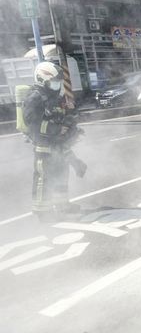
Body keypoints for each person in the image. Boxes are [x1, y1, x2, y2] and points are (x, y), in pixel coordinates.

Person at [23, 62, 86, 222]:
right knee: (43, 180)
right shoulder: (35, 97)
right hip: (44, 148)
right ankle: (41, 212)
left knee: (61, 176)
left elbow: (63, 117)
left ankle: (63, 206)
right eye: (53, 81)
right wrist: (57, 129)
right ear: (41, 80)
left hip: (59, 146)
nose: (57, 84)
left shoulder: (55, 98)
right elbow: (33, 123)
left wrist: (71, 122)